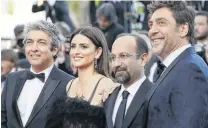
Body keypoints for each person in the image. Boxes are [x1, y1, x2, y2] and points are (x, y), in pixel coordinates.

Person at [1, 20, 74, 128]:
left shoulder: (69, 83)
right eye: (29, 42)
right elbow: (4, 120)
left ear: (54, 50)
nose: (34, 48)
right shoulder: (12, 78)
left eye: (41, 42)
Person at [146, 1, 208, 128]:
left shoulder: (189, 69)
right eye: (151, 24)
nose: (152, 31)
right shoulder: (179, 65)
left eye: (161, 23)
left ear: (183, 29)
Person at [45, 26, 117, 128]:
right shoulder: (69, 84)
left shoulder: (106, 85)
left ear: (98, 52)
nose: (76, 52)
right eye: (73, 46)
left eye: (84, 46)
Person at [105, 33, 153, 128]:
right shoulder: (107, 96)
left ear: (142, 59)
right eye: (113, 58)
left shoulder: (155, 95)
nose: (116, 64)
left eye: (123, 56)